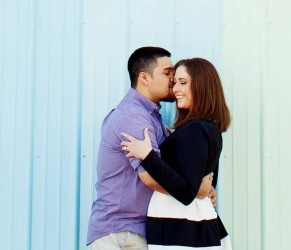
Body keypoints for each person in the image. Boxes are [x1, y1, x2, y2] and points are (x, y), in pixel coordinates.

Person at [87, 47, 215, 249]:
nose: (173, 80)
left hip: (137, 230)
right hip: (121, 232)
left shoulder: (152, 117)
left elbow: (170, 168)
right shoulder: (133, 117)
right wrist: (197, 189)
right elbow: (151, 177)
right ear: (145, 78)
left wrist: (196, 181)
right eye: (167, 73)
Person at [119, 57, 231, 250]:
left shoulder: (195, 130)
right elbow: (204, 180)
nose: (176, 89)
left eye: (183, 82)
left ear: (202, 86)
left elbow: (187, 193)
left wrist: (147, 156)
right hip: (193, 226)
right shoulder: (208, 128)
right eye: (174, 83)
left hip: (181, 230)